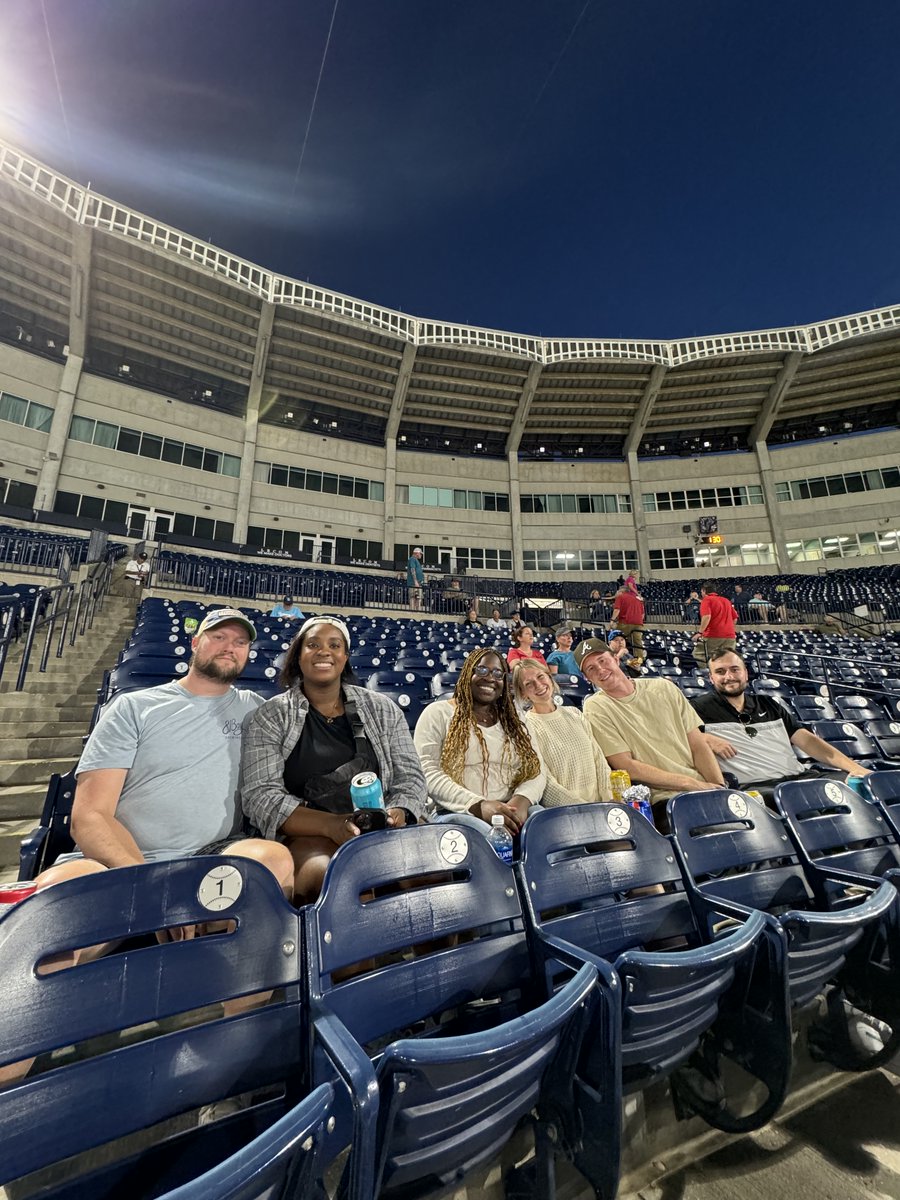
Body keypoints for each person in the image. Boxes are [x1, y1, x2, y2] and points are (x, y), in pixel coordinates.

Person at [36, 607, 294, 893]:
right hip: (120, 859)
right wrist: (150, 885)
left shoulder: (254, 709)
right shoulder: (134, 707)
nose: (229, 648)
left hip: (211, 857)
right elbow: (90, 817)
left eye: (240, 643)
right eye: (219, 636)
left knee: (273, 860)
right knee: (54, 892)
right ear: (195, 643)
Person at [241, 617, 425, 901]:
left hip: (382, 825)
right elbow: (260, 795)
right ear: (297, 656)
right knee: (334, 875)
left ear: (345, 656)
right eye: (312, 645)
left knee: (432, 867)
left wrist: (399, 811)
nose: (324, 651)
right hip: (310, 832)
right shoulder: (271, 715)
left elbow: (410, 776)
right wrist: (331, 825)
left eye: (334, 645)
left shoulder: (383, 709)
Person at [574, 637, 725, 829]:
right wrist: (690, 784)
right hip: (663, 800)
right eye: (591, 669)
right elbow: (627, 766)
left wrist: (719, 788)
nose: (600, 670)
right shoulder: (596, 707)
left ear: (615, 658)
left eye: (602, 661)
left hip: (704, 788)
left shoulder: (664, 687)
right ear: (587, 678)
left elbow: (697, 744)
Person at [691, 650, 872, 800]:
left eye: (734, 669)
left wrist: (855, 767)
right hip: (756, 788)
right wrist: (704, 738)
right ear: (711, 678)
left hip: (799, 777)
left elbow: (809, 742)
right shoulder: (698, 708)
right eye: (720, 672)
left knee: (864, 785)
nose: (729, 676)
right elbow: (677, 738)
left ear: (745, 673)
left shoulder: (769, 704)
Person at [413, 647, 545, 835]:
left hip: (511, 806)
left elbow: (537, 768)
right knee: (486, 836)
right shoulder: (437, 713)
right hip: (456, 811)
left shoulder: (516, 718)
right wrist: (478, 805)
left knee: (544, 825)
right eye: (482, 670)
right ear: (467, 673)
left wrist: (522, 800)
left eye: (498, 673)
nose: (490, 678)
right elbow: (427, 772)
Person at [512, 660, 612, 805]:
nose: (538, 685)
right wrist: (584, 808)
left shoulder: (575, 713)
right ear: (523, 693)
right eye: (529, 684)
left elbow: (599, 759)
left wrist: (608, 799)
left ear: (549, 678)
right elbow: (546, 784)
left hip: (602, 806)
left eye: (541, 677)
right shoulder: (525, 728)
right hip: (567, 813)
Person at [692, 579, 738, 666]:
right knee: (726, 660)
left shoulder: (707, 600)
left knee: (699, 654)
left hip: (713, 634)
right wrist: (729, 628)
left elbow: (706, 616)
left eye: (701, 591)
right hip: (730, 636)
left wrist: (700, 632)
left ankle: (707, 674)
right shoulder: (726, 600)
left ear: (704, 591)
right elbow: (735, 618)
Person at [610, 575, 645, 664]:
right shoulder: (638, 600)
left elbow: (617, 610)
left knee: (616, 639)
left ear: (622, 591)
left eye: (618, 591)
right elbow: (642, 614)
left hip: (625, 622)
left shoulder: (620, 597)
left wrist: (612, 620)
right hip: (638, 623)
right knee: (638, 644)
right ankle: (638, 663)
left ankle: (613, 659)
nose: (617, 593)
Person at [406, 547, 425, 611]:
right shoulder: (412, 559)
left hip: (418, 583)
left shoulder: (415, 560)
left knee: (419, 598)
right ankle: (412, 612)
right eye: (420, 554)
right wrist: (415, 581)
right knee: (413, 597)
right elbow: (412, 569)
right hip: (414, 583)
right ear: (417, 553)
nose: (421, 555)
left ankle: (417, 612)